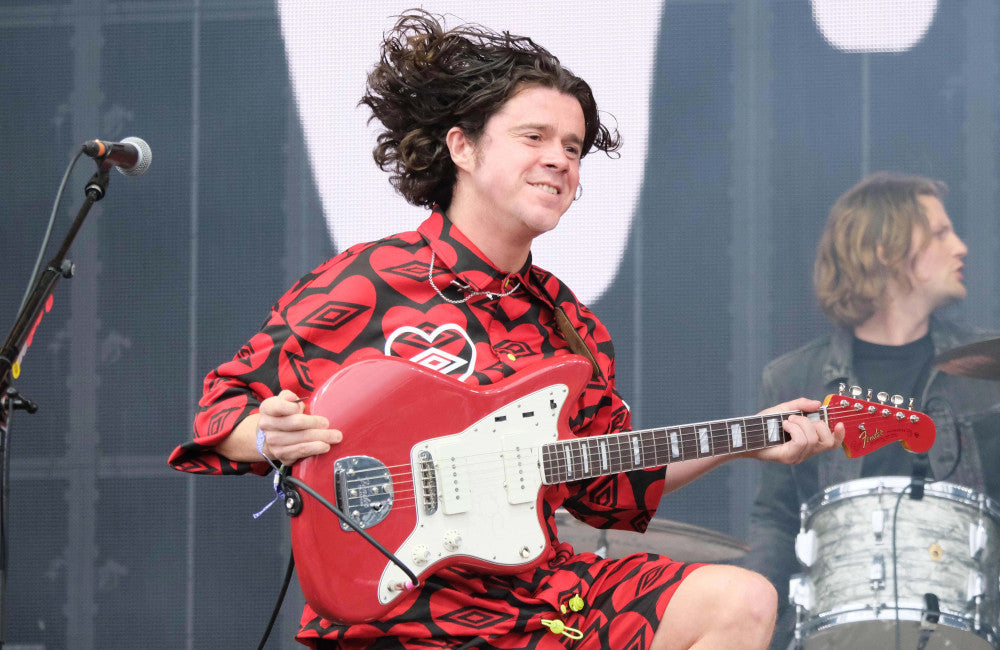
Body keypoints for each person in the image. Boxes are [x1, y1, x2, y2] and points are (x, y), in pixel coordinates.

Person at [169, 10, 843, 649]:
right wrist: (267, 433)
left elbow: (606, 491)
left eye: (573, 148)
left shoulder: (569, 326)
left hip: (541, 602)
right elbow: (220, 408)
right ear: (461, 146)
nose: (560, 160)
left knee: (744, 600)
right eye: (535, 138)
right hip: (401, 614)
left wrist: (750, 439)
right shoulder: (372, 278)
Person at [745, 171, 1000, 649]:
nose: (961, 247)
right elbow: (776, 521)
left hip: (967, 626)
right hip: (839, 628)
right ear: (886, 248)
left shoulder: (989, 372)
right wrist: (751, 613)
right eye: (941, 233)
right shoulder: (795, 379)